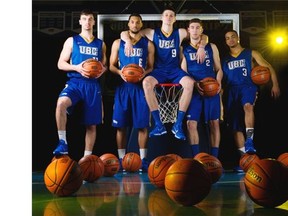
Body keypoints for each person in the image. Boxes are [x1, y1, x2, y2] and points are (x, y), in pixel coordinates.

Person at [121, 6, 208, 141]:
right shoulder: (151, 32)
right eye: (166, 15)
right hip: (159, 70)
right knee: (146, 82)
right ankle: (159, 124)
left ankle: (178, 124)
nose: (168, 17)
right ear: (162, 17)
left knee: (190, 83)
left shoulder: (180, 33)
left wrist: (202, 47)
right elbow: (126, 33)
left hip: (175, 70)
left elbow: (203, 36)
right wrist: (127, 41)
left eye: (171, 15)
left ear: (175, 19)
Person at [222, 30, 280, 170]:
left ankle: (249, 140)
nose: (230, 40)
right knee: (235, 126)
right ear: (226, 41)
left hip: (248, 86)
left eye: (233, 37)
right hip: (231, 90)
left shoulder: (251, 53)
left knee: (248, 106)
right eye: (228, 38)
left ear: (238, 38)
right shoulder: (224, 59)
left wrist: (275, 85)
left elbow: (268, 67)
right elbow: (222, 79)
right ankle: (243, 159)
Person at [53, 9, 107, 156]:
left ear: (94, 22)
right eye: (84, 19)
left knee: (91, 124)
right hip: (75, 82)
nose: (88, 22)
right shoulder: (72, 41)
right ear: (80, 21)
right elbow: (60, 63)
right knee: (61, 103)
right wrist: (76, 67)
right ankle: (62, 142)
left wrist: (101, 70)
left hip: (92, 85)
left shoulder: (100, 44)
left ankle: (87, 159)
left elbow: (104, 65)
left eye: (90, 19)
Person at [109, 13, 155, 172]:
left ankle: (143, 160)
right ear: (128, 24)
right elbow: (111, 65)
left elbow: (151, 66)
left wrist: (145, 73)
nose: (135, 24)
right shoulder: (118, 42)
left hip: (140, 89)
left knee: (142, 126)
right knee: (121, 126)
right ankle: (121, 160)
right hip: (124, 88)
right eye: (132, 22)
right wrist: (120, 72)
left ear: (141, 25)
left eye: (138, 22)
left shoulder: (148, 44)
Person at [181, 18, 223, 158]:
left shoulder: (212, 47)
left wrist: (219, 82)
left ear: (202, 30)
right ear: (188, 30)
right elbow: (183, 72)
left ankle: (215, 159)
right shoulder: (184, 49)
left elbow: (218, 68)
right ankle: (197, 159)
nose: (194, 30)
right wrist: (194, 84)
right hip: (194, 91)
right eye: (192, 27)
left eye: (197, 27)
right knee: (191, 124)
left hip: (211, 89)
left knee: (214, 124)